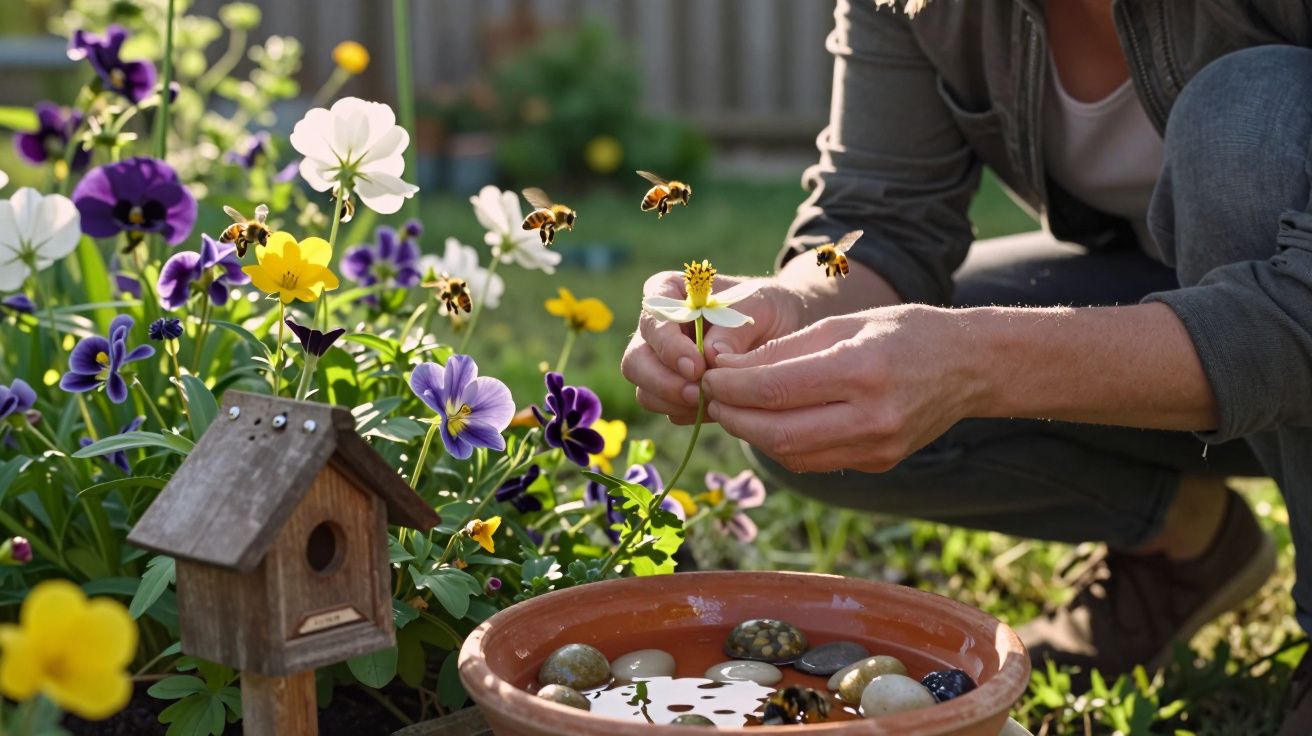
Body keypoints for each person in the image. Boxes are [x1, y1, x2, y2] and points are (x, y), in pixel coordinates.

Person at [621, 0, 1312, 731]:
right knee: (812, 411)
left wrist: (977, 362)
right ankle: (1187, 543)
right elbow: (882, 219)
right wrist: (790, 307)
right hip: (1195, 344)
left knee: (1246, 119)